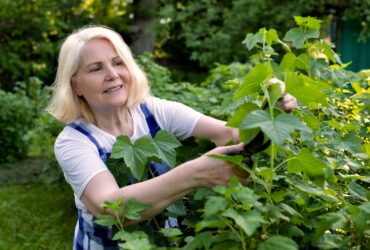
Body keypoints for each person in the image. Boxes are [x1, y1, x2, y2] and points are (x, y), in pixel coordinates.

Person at [47, 25, 297, 250]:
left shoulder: (153, 111)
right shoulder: (74, 142)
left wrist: (268, 111)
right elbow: (111, 207)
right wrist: (195, 173)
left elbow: (229, 133)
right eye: (96, 68)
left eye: (118, 62)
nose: (112, 74)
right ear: (76, 86)